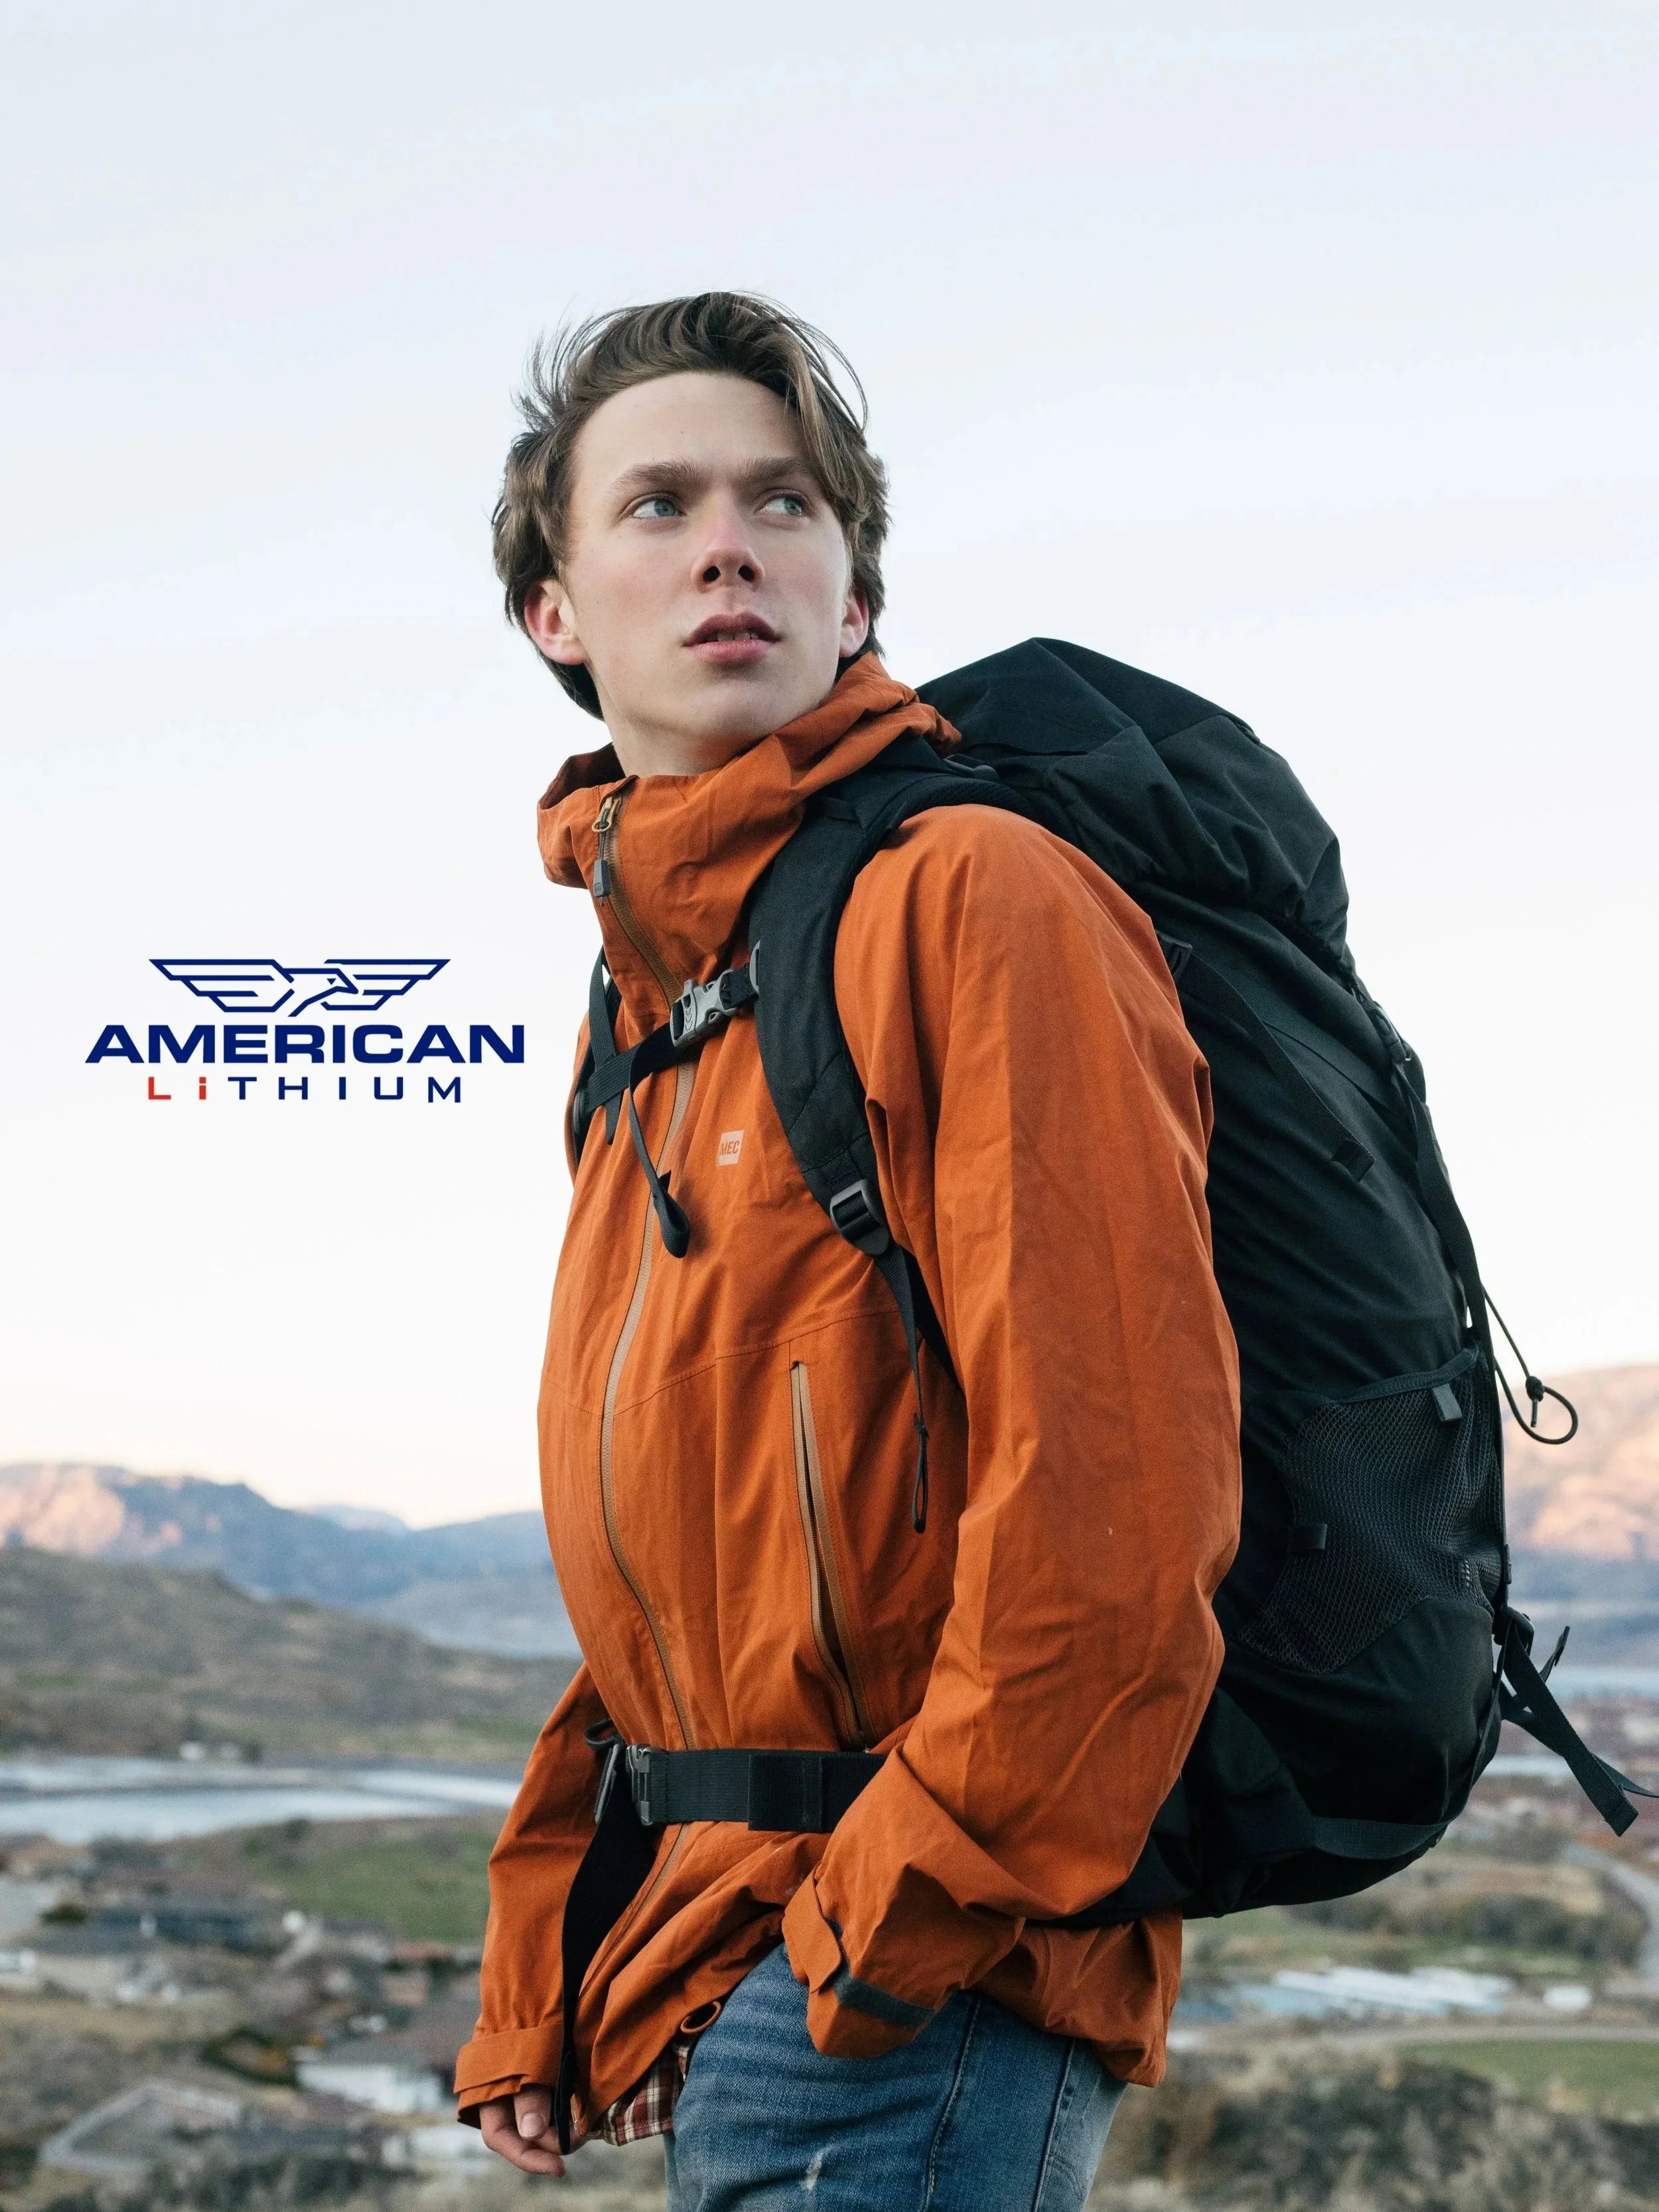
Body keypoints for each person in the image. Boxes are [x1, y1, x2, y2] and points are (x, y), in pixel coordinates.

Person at [457, 292, 1241, 2210]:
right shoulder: (657, 998)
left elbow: (1116, 1506)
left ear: (853, 592)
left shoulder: (970, 897)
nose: (728, 540)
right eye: (657, 503)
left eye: (783, 502)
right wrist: (545, 1962)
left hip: (910, 2004)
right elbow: (675, 1564)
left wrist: (878, 1942)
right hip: (757, 1968)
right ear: (554, 609)